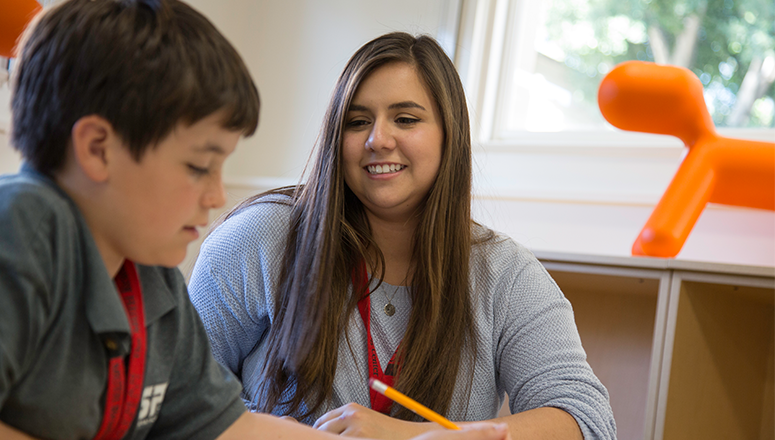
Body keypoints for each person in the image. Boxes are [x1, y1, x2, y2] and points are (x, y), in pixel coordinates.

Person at [0, 2, 513, 440]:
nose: (218, 196)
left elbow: (231, 428)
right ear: (97, 148)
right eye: (199, 166)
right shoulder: (19, 231)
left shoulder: (151, 282)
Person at [189, 31, 617, 439]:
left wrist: (410, 436)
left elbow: (587, 421)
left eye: (406, 119)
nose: (378, 139)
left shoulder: (505, 273)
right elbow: (178, 394)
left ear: (450, 135)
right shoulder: (260, 238)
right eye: (357, 122)